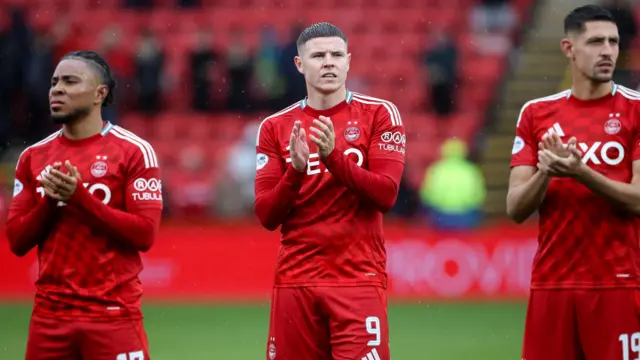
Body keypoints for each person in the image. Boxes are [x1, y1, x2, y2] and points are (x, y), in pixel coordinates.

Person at [254, 22, 405, 360]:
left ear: (348, 61)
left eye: (337, 55)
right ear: (299, 64)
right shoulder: (275, 126)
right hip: (296, 281)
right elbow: (266, 215)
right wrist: (295, 170)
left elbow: (386, 195)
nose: (329, 62)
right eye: (318, 55)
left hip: (358, 280)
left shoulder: (380, 114)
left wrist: (333, 159)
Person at [5, 50, 162, 360]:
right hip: (49, 318)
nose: (57, 89)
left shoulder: (133, 152)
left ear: (99, 94)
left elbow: (145, 235)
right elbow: (17, 240)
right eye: (54, 82)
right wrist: (50, 203)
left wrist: (80, 199)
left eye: (70, 81)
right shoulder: (33, 157)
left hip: (114, 314)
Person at [507, 5, 640, 360]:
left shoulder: (636, 110)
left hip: (618, 282)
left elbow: (639, 200)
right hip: (552, 284)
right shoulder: (536, 113)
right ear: (569, 48)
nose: (608, 51)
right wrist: (546, 173)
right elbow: (516, 208)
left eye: (613, 42)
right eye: (596, 41)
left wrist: (581, 172)